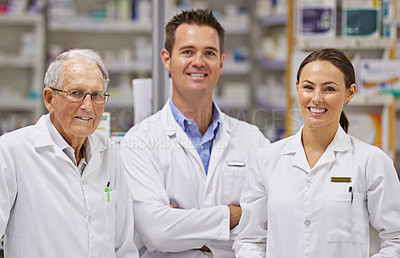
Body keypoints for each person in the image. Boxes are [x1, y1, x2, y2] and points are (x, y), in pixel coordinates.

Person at [120, 9, 269, 257]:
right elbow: (157, 232)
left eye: (209, 53)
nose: (198, 61)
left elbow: (269, 221)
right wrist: (233, 214)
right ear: (167, 60)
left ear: (221, 62)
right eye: (187, 51)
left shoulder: (252, 139)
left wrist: (182, 224)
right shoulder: (139, 142)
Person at [234, 48, 400, 258]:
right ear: (297, 88)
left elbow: (395, 240)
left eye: (329, 89)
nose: (316, 98)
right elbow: (250, 239)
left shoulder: (371, 162)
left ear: (350, 92)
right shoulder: (268, 159)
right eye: (308, 87)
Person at [0, 49, 139, 258]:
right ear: (49, 99)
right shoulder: (12, 151)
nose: (88, 106)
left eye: (97, 95)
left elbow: (124, 247)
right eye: (76, 93)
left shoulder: (110, 153)